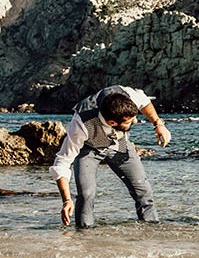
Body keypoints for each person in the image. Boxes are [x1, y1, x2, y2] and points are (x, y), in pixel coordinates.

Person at [51, 85, 171, 228]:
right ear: (112, 123)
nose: (135, 122)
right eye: (129, 121)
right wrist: (66, 200)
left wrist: (158, 124)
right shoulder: (81, 123)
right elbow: (62, 163)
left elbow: (144, 101)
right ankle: (83, 236)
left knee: (143, 190)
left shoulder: (126, 95)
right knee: (86, 194)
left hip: (119, 145)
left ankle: (151, 229)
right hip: (89, 149)